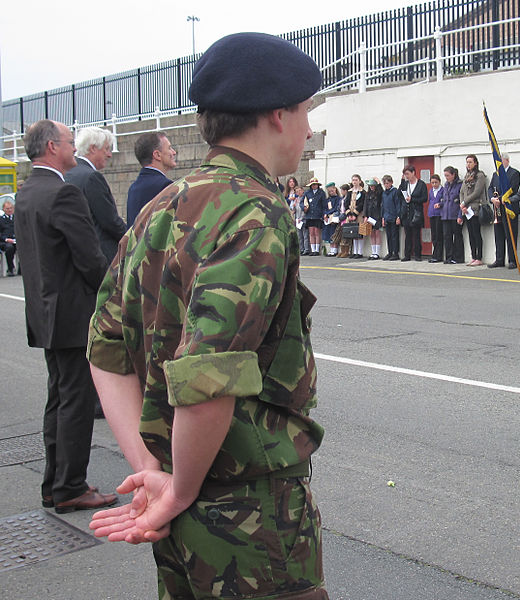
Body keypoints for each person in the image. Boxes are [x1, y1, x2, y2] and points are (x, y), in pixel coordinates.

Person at [87, 32, 328, 599]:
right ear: (276, 115)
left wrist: (154, 468)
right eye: (305, 111)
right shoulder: (256, 212)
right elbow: (207, 376)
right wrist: (178, 487)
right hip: (249, 516)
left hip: (183, 502)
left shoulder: (161, 205)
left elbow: (104, 346)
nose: (309, 128)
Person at [14, 119, 116, 513]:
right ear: (53, 146)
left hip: (44, 312)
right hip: (73, 314)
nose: (75, 148)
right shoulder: (63, 193)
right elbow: (89, 258)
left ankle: (54, 483)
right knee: (75, 400)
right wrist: (113, 292)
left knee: (59, 398)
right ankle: (70, 485)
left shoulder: (27, 193)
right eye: (71, 142)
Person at [65, 126, 127, 264]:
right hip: (101, 255)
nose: (110, 154)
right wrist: (132, 237)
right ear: (93, 148)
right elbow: (109, 221)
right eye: (106, 149)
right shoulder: (92, 177)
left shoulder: (69, 173)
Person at [126, 132, 177, 227]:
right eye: (169, 148)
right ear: (157, 155)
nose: (174, 152)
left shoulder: (133, 188)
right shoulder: (165, 186)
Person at [487, 153, 520, 269]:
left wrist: (501, 199)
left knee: (510, 234)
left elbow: (514, 189)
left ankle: (512, 260)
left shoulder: (514, 173)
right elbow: (490, 188)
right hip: (497, 208)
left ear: (506, 161)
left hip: (509, 208)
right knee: (498, 234)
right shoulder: (495, 174)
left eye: (500, 161)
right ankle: (499, 259)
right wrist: (492, 198)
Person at [459, 154, 488, 266]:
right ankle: (473, 256)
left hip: (475, 208)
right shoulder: (467, 176)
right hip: (466, 210)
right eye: (467, 162)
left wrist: (465, 202)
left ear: (475, 163)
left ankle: (479, 257)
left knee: (476, 233)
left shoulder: (480, 176)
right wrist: (463, 205)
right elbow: (462, 191)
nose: (468, 164)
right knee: (470, 234)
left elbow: (477, 192)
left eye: (470, 162)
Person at [399, 165, 427, 261]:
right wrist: (402, 181)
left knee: (416, 235)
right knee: (408, 235)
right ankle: (407, 255)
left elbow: (424, 198)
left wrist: (413, 199)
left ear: (413, 173)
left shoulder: (421, 184)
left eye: (408, 174)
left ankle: (417, 255)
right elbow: (400, 195)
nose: (406, 176)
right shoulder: (405, 184)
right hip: (406, 212)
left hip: (416, 213)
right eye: (405, 174)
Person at [441, 166, 464, 264]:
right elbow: (444, 199)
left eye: (448, 175)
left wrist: (460, 215)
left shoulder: (459, 185)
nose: (446, 178)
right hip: (446, 215)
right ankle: (449, 256)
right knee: (447, 236)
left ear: (453, 175)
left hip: (455, 214)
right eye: (445, 176)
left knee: (457, 236)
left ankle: (458, 257)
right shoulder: (446, 185)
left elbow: (461, 200)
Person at [345, 174, 366, 258]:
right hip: (351, 213)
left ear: (359, 181)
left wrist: (355, 214)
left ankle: (359, 252)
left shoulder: (362, 192)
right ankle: (355, 251)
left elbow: (361, 204)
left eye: (356, 180)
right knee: (353, 233)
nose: (354, 182)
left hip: (359, 214)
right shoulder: (350, 192)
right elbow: (346, 203)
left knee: (359, 233)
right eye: (353, 180)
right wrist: (349, 214)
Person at [381, 175, 401, 260]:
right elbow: (383, 206)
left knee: (394, 236)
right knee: (388, 236)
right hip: (387, 217)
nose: (386, 185)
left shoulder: (395, 192)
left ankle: (395, 253)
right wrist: (383, 217)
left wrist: (398, 216)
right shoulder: (384, 193)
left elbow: (398, 205)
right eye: (384, 183)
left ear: (391, 183)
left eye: (387, 183)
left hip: (394, 217)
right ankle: (389, 252)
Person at [304, 177, 326, 256]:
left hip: (317, 215)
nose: (314, 186)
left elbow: (324, 205)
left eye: (315, 185)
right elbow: (302, 202)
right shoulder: (307, 193)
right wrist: (304, 208)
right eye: (312, 185)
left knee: (317, 232)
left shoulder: (321, 193)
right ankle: (312, 250)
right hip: (309, 215)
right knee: (311, 232)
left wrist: (324, 214)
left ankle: (317, 250)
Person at [364, 178, 383, 259]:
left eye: (373, 185)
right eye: (370, 186)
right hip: (370, 215)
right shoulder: (368, 194)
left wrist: (378, 182)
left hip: (377, 215)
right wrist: (365, 216)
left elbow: (381, 191)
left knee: (377, 233)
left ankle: (377, 253)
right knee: (371, 233)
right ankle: (373, 251)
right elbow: (365, 205)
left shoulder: (378, 193)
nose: (371, 187)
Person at [427, 174, 444, 263]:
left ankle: (438, 255)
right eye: (432, 183)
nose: (434, 184)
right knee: (433, 235)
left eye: (436, 182)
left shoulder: (442, 190)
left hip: (439, 214)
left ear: (439, 182)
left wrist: (440, 205)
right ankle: (435, 254)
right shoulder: (430, 191)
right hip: (432, 214)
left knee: (438, 235)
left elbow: (444, 201)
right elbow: (430, 200)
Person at [290, 185, 310, 255]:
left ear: (302, 190)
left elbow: (305, 210)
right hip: (297, 219)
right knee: (299, 236)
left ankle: (306, 249)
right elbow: (294, 210)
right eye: (297, 191)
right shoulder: (296, 199)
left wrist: (301, 218)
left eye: (299, 191)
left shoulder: (305, 198)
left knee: (305, 235)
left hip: (303, 220)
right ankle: (301, 249)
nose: (298, 192)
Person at [323, 182, 341, 256]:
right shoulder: (328, 199)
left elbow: (336, 208)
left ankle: (335, 249)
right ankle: (331, 249)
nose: (331, 192)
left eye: (332, 191)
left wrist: (329, 213)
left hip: (334, 217)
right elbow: (325, 208)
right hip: (328, 218)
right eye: (329, 191)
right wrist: (325, 214)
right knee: (329, 233)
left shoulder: (338, 199)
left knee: (334, 233)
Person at [0, 200, 17, 276]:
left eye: (11, 208)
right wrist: (6, 239)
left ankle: (22, 269)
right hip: (5, 241)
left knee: (25, 247)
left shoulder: (17, 218)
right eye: (7, 208)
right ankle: (10, 268)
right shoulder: (1, 219)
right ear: (3, 209)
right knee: (9, 248)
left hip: (16, 240)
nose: (9, 210)